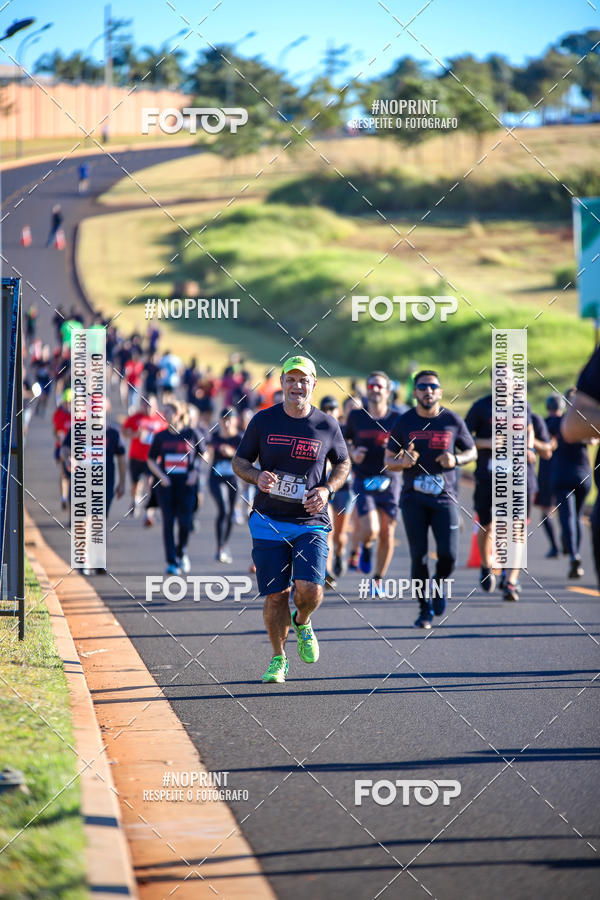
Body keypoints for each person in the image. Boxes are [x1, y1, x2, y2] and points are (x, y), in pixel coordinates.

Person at [233, 355, 350, 684]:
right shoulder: (263, 421)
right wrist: (257, 477)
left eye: (304, 380)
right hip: (268, 519)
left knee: (310, 590)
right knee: (275, 595)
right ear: (282, 383)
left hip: (310, 520)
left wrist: (327, 489)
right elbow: (240, 461)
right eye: (291, 379)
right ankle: (278, 658)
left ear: (313, 385)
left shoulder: (327, 425)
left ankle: (303, 621)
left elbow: (343, 464)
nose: (297, 385)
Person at [386, 370, 476, 628]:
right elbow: (387, 460)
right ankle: (424, 609)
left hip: (445, 498)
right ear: (414, 392)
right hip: (413, 498)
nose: (428, 391)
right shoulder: (404, 422)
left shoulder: (452, 420)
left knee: (448, 556)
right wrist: (403, 462)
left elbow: (470, 451)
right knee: (420, 556)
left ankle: (438, 587)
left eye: (433, 386)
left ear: (440, 391)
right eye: (422, 386)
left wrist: (456, 460)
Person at [344, 372, 400, 594]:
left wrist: (404, 455)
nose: (374, 389)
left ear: (387, 391)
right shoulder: (356, 417)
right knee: (371, 530)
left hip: (390, 480)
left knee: (387, 532)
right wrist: (353, 452)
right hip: (364, 479)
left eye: (379, 386)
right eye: (371, 385)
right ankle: (366, 547)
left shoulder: (398, 418)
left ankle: (378, 580)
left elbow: (409, 445)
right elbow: (344, 442)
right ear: (367, 390)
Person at [60, 397, 126, 575]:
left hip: (105, 484)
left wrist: (122, 483)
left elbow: (121, 458)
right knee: (81, 520)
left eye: (99, 409)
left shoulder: (112, 433)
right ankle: (82, 557)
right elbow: (64, 448)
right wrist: (68, 458)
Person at [147, 402, 206, 574]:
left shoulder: (191, 433)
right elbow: (151, 460)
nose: (165, 415)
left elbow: (204, 453)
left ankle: (183, 552)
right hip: (167, 486)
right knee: (168, 522)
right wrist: (161, 476)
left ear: (178, 413)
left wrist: (195, 471)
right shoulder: (160, 436)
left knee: (185, 522)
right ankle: (172, 561)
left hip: (187, 485)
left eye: (168, 412)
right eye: (163, 412)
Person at [562, 347, 600, 586]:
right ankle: (573, 554)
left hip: (581, 474)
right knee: (570, 517)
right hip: (566, 475)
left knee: (572, 517)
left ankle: (573, 554)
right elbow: (574, 425)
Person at [552, 387, 592, 579]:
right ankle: (575, 555)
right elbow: (592, 440)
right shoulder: (585, 424)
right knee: (577, 517)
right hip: (583, 475)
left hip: (563, 476)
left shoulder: (556, 422)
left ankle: (574, 555)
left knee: (567, 517)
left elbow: (543, 439)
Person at [320, 395, 356, 580]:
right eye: (325, 408)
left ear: (338, 411)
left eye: (332, 408)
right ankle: (326, 571)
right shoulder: (316, 429)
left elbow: (351, 457)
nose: (328, 412)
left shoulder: (345, 431)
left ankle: (340, 555)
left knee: (341, 535)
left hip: (345, 488)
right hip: (324, 488)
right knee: (329, 530)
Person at [121, 396, 164, 520]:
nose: (148, 408)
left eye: (151, 405)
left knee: (149, 484)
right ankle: (134, 501)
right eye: (145, 405)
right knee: (135, 485)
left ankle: (148, 513)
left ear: (155, 405)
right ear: (141, 405)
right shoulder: (135, 417)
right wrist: (135, 434)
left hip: (152, 459)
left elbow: (167, 434)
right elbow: (124, 431)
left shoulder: (161, 418)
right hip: (135, 457)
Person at [209, 409, 242, 563]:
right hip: (216, 478)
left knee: (229, 513)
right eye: (223, 420)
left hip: (233, 479)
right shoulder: (214, 437)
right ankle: (219, 548)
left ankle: (223, 544)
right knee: (223, 509)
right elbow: (205, 455)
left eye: (230, 419)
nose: (227, 423)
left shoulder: (240, 438)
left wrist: (232, 454)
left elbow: (249, 461)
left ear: (235, 420)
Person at [536, 395, 564, 557]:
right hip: (565, 471)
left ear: (547, 407)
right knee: (565, 510)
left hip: (546, 473)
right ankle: (567, 539)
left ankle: (554, 546)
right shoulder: (567, 423)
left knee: (546, 511)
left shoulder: (544, 424)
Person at [52, 388, 72, 510]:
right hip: (61, 448)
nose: (69, 404)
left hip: (77, 450)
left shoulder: (80, 414)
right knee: (63, 473)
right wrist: (59, 437)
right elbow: (55, 431)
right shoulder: (59, 414)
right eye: (67, 402)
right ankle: (64, 497)